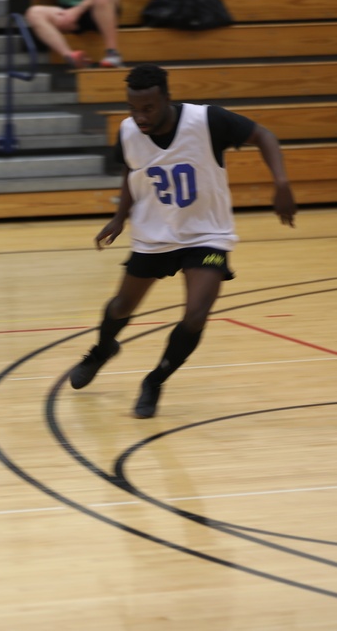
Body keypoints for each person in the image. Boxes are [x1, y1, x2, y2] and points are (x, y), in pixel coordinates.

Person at [68, 64, 296, 418]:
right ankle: (101, 350)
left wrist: (281, 182)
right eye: (133, 108)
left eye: (148, 108)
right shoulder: (128, 131)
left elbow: (263, 135)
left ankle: (155, 380)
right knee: (121, 308)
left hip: (206, 234)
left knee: (195, 316)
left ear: (166, 99)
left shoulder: (206, 121)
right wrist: (120, 215)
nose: (140, 116)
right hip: (154, 233)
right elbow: (133, 168)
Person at [26, 0, 122, 69]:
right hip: (68, 8)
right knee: (34, 13)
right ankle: (70, 56)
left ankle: (112, 53)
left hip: (98, 6)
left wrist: (77, 11)